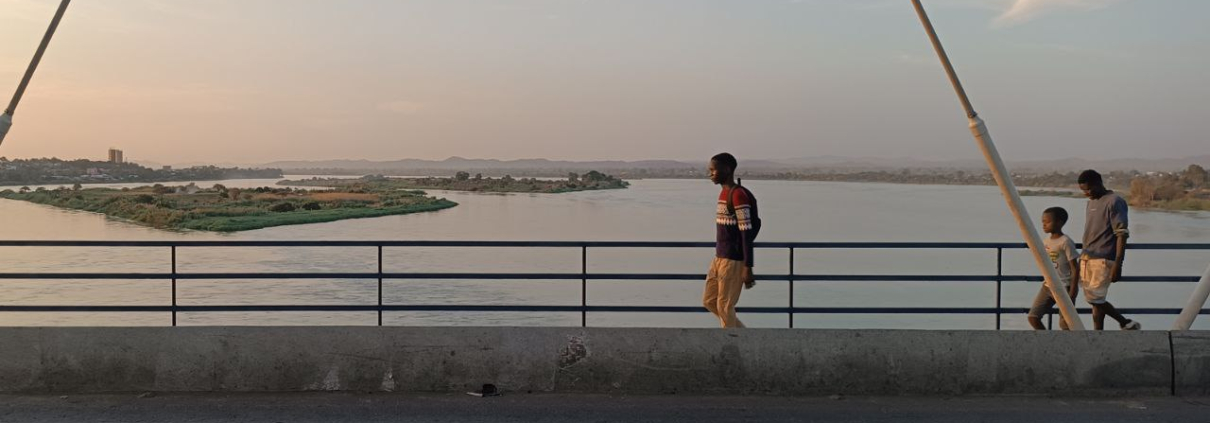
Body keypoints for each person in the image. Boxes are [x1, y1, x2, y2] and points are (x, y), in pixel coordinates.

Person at [1078, 169, 1141, 330]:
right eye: (1083, 190)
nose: (1086, 193)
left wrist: (1117, 264)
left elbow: (1121, 234)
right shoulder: (1090, 202)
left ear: (1099, 183)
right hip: (1087, 257)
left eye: (1088, 189)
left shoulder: (1114, 201)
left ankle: (1124, 322)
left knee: (1095, 299)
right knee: (1096, 300)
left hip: (1104, 259)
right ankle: (1098, 333)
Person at [703, 153, 760, 328]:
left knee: (725, 306)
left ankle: (732, 348)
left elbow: (746, 233)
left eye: (713, 170)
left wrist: (747, 267)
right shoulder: (724, 193)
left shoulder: (738, 195)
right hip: (719, 257)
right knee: (710, 301)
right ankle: (745, 339)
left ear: (727, 170)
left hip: (733, 260)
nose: (710, 174)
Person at [1027, 207, 1079, 330]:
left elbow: (1075, 268)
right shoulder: (1046, 241)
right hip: (1048, 286)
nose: (1044, 225)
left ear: (1059, 223)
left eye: (1047, 221)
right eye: (1042, 221)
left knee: (1065, 323)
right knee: (1033, 317)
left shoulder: (1065, 242)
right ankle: (1048, 343)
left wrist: (1073, 289)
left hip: (1064, 286)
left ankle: (1069, 347)